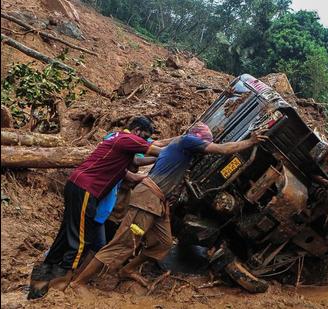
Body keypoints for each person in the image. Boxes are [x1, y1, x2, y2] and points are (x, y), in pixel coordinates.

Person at [70, 121, 267, 293]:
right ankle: (79, 283)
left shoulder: (181, 145)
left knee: (163, 244)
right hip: (148, 198)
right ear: (198, 138)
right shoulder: (188, 141)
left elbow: (161, 148)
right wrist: (250, 142)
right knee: (123, 243)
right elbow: (222, 149)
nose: (205, 145)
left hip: (159, 202)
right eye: (205, 141)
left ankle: (127, 269)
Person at [28, 116, 165, 299]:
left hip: (77, 185)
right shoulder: (127, 138)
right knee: (81, 239)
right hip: (87, 189)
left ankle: (45, 272)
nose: (144, 141)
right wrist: (183, 148)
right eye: (144, 137)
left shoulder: (116, 139)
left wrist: (141, 178)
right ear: (137, 131)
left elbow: (127, 171)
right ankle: (62, 281)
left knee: (66, 232)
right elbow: (158, 151)